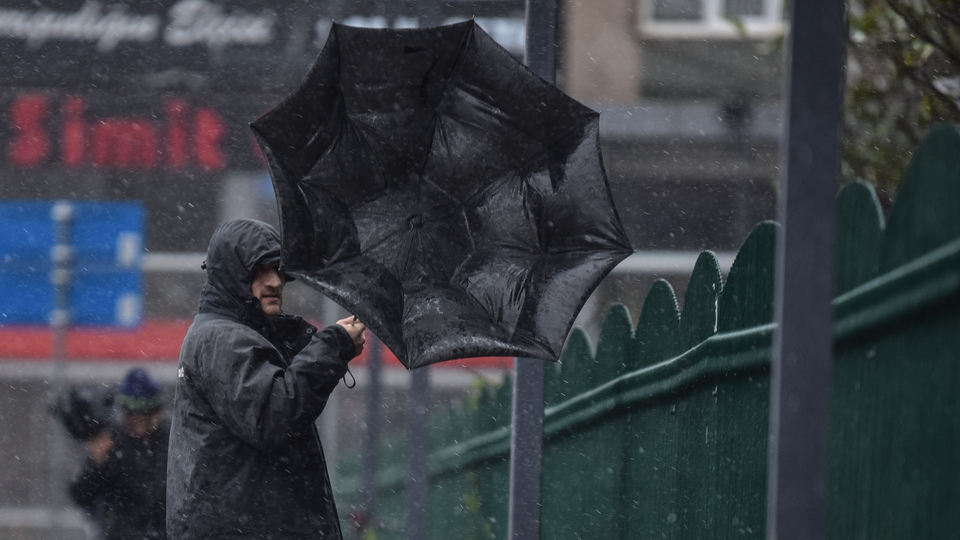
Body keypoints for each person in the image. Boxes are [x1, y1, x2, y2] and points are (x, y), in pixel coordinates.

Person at [166, 218, 366, 539]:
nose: (274, 281)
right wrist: (334, 347)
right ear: (233, 275)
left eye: (279, 269)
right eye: (259, 270)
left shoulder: (224, 335)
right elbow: (274, 416)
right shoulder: (223, 339)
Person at [69, 367, 169, 540]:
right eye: (133, 418)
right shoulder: (113, 442)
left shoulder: (175, 440)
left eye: (146, 418)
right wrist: (96, 462)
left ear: (158, 412)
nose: (139, 426)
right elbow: (81, 494)